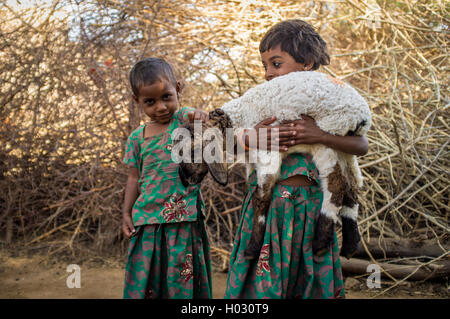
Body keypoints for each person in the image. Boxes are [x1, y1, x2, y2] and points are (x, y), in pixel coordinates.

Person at [223, 19, 369, 299]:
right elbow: (228, 141)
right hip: (270, 213)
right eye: (265, 65)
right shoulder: (264, 102)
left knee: (309, 279)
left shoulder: (331, 99)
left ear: (308, 62)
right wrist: (249, 138)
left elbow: (360, 145)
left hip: (312, 213)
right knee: (263, 286)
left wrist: (321, 135)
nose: (268, 73)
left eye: (276, 64)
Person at [121, 57, 211, 299]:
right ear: (137, 101)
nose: (160, 107)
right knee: (148, 280)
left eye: (166, 97)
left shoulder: (182, 121)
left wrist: (200, 116)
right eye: (150, 102)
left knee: (182, 282)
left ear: (178, 90)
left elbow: (196, 115)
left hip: (183, 220)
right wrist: (126, 213)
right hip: (147, 221)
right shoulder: (137, 138)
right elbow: (133, 179)